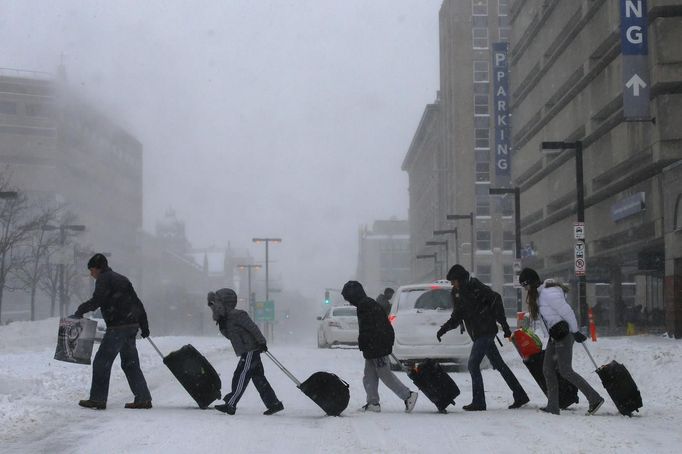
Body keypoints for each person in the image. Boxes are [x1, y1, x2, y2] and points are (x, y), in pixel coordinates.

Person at [436, 264, 529, 411]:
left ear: (461, 279)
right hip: (478, 333)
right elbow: (457, 316)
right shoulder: (457, 293)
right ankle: (520, 394)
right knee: (499, 365)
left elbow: (496, 299)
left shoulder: (475, 286)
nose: (453, 284)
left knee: (473, 364)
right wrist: (443, 329)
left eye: (454, 281)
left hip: (486, 331)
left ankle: (479, 401)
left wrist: (504, 326)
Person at [519, 268, 605, 416]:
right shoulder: (539, 295)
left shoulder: (548, 294)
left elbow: (567, 312)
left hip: (564, 334)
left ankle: (594, 398)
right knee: (547, 369)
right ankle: (553, 406)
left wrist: (575, 331)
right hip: (555, 334)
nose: (525, 289)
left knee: (565, 370)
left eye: (526, 285)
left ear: (532, 282)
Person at [73, 253, 152, 410]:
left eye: (92, 270)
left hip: (118, 327)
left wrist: (81, 309)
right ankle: (143, 398)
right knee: (130, 364)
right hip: (131, 326)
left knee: (101, 362)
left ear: (98, 268)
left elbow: (98, 300)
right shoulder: (122, 279)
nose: (91, 274)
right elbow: (137, 303)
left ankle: (97, 399)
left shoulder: (104, 279)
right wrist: (143, 325)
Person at [341, 280, 418, 413]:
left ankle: (408, 396)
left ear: (354, 295)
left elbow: (368, 328)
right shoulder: (367, 303)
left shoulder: (365, 305)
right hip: (375, 345)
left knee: (384, 374)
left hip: (377, 345)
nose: (349, 302)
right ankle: (373, 403)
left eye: (349, 299)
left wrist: (368, 344)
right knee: (369, 375)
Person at [209, 288, 283, 415]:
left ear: (225, 303)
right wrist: (222, 323)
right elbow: (232, 336)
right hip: (247, 350)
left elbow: (253, 328)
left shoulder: (238, 315)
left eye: (216, 303)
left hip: (250, 350)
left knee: (240, 376)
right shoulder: (226, 319)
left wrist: (261, 342)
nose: (214, 307)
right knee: (258, 378)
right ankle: (274, 404)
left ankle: (231, 404)